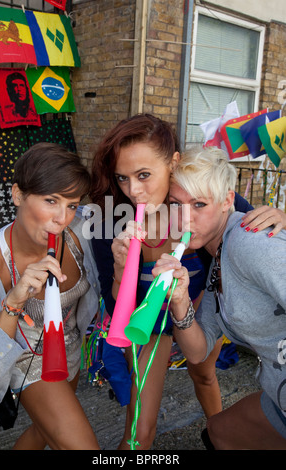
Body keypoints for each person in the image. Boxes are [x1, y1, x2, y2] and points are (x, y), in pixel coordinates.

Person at [89, 113, 286, 449]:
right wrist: (122, 269)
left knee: (204, 374)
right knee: (139, 431)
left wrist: (280, 216)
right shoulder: (109, 221)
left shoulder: (201, 198)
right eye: (123, 177)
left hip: (197, 307)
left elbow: (253, 241)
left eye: (144, 175)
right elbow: (116, 308)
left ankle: (222, 435)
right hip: (146, 323)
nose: (134, 190)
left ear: (173, 163)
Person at [156, 145, 286, 449]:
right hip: (276, 392)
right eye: (176, 204)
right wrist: (180, 301)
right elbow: (198, 353)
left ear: (228, 200)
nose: (185, 218)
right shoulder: (218, 258)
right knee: (219, 431)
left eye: (199, 204)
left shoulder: (247, 242)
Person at [0, 142, 100, 450]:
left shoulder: (82, 227)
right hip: (27, 359)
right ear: (18, 195)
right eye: (51, 200)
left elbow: (153, 207)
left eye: (72, 204)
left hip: (71, 346)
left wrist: (236, 210)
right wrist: (14, 300)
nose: (62, 218)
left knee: (45, 431)